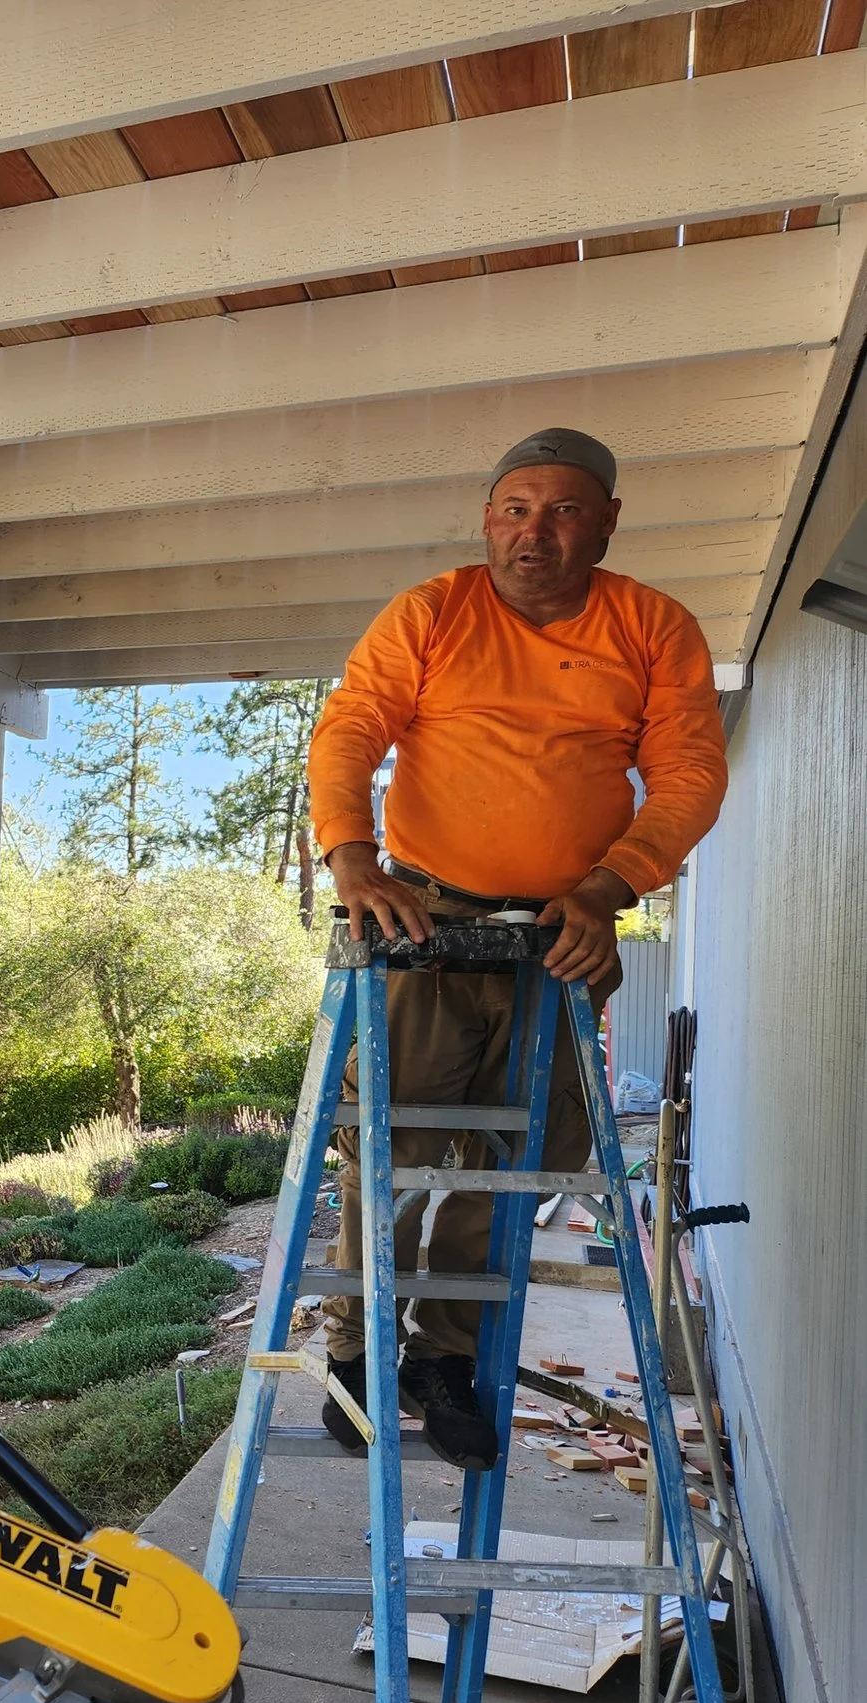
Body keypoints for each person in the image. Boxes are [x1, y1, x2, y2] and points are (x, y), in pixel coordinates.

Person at [303, 427, 727, 1468]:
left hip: (560, 934)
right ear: (489, 520)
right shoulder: (433, 612)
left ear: (607, 523)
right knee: (389, 1144)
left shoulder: (652, 626)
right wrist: (352, 855)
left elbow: (687, 775)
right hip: (425, 925)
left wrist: (607, 887)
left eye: (564, 510)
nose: (535, 532)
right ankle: (359, 1348)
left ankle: (445, 1355)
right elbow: (351, 727)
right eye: (515, 509)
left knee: (521, 1156)